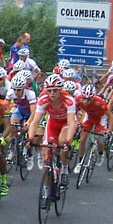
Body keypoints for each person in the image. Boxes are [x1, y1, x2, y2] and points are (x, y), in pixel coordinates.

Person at [27, 74, 77, 204]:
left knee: (61, 142)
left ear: (60, 90)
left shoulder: (68, 100)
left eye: (55, 90)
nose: (52, 93)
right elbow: (35, 121)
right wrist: (30, 138)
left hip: (66, 123)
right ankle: (46, 193)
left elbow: (72, 122)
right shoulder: (43, 100)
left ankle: (64, 170)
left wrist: (68, 142)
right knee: (46, 158)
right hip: (53, 123)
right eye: (49, 90)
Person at [73, 84, 113, 173]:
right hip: (89, 117)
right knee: (82, 139)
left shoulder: (100, 103)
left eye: (89, 99)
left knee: (100, 140)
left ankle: (100, 154)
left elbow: (111, 116)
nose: (86, 101)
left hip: (101, 118)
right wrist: (78, 121)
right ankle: (80, 163)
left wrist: (109, 131)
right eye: (84, 98)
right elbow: (73, 111)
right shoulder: (78, 99)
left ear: (93, 97)